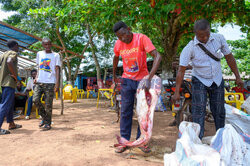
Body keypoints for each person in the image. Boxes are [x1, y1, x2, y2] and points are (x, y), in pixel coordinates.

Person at [172, 19, 244, 139]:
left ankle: (221, 138)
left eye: (207, 34)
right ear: (195, 33)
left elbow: (229, 58)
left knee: (219, 111)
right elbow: (181, 70)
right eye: (201, 36)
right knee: (198, 110)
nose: (204, 38)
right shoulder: (189, 48)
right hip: (199, 79)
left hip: (217, 79)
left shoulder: (219, 38)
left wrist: (238, 77)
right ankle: (198, 139)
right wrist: (176, 92)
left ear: (210, 31)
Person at [112, 21, 162, 153]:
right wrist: (114, 75)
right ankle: (124, 141)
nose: (123, 39)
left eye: (124, 35)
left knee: (143, 112)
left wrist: (149, 78)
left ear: (129, 29)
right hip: (127, 80)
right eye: (119, 37)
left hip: (142, 80)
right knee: (125, 111)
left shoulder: (141, 38)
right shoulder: (118, 44)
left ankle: (142, 141)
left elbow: (158, 56)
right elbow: (115, 58)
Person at [33, 38, 61, 131]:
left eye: (49, 44)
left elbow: (57, 69)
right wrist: (36, 77)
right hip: (39, 81)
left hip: (50, 82)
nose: (47, 46)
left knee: (48, 104)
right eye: (45, 44)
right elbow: (38, 67)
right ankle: (44, 118)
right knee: (35, 100)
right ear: (43, 45)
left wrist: (57, 83)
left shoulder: (56, 55)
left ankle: (48, 123)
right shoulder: (39, 54)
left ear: (51, 44)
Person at [0, 40, 22, 135]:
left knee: (10, 103)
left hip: (3, 82)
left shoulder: (3, 54)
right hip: (9, 82)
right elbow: (10, 62)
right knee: (5, 105)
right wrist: (15, 76)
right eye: (18, 46)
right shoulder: (13, 53)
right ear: (16, 46)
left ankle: (11, 124)